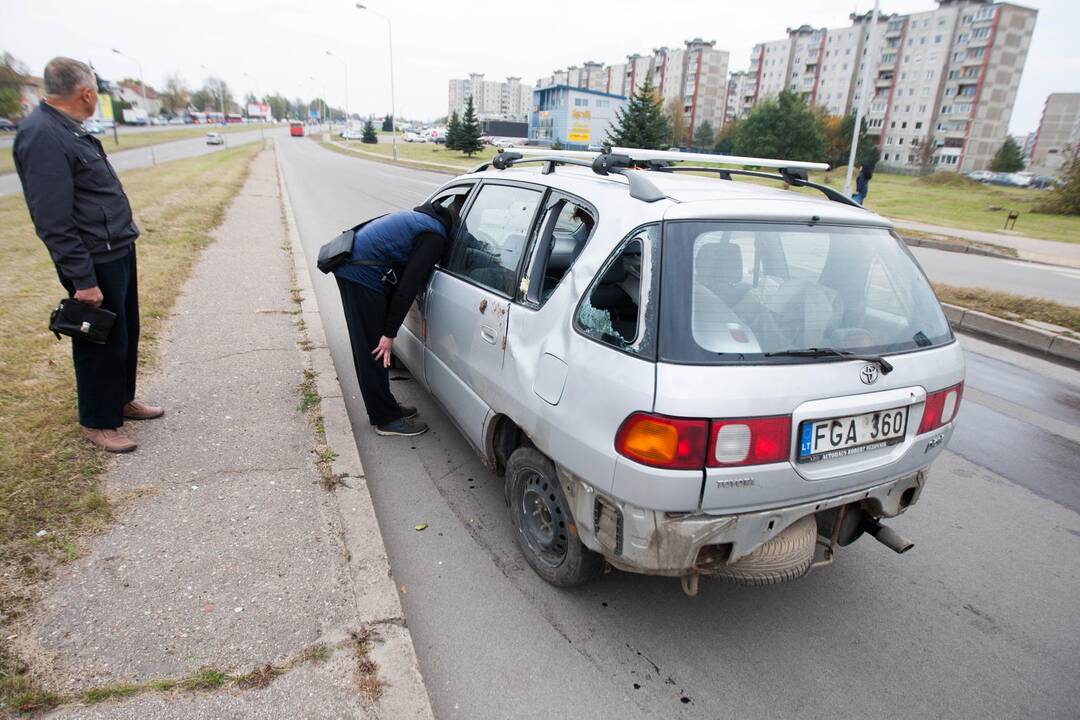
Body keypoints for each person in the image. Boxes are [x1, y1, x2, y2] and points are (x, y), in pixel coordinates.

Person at [14, 57, 163, 454]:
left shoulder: (66, 129)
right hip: (92, 258)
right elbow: (52, 219)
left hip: (115, 249)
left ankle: (120, 399)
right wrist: (82, 279)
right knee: (97, 338)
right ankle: (98, 421)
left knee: (124, 332)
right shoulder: (43, 135)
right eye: (96, 90)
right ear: (86, 93)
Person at [334, 198, 460, 437]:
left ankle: (387, 406)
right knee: (374, 349)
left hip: (358, 267)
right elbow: (407, 288)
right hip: (361, 275)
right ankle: (385, 419)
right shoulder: (435, 237)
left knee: (374, 345)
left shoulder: (423, 221)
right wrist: (389, 333)